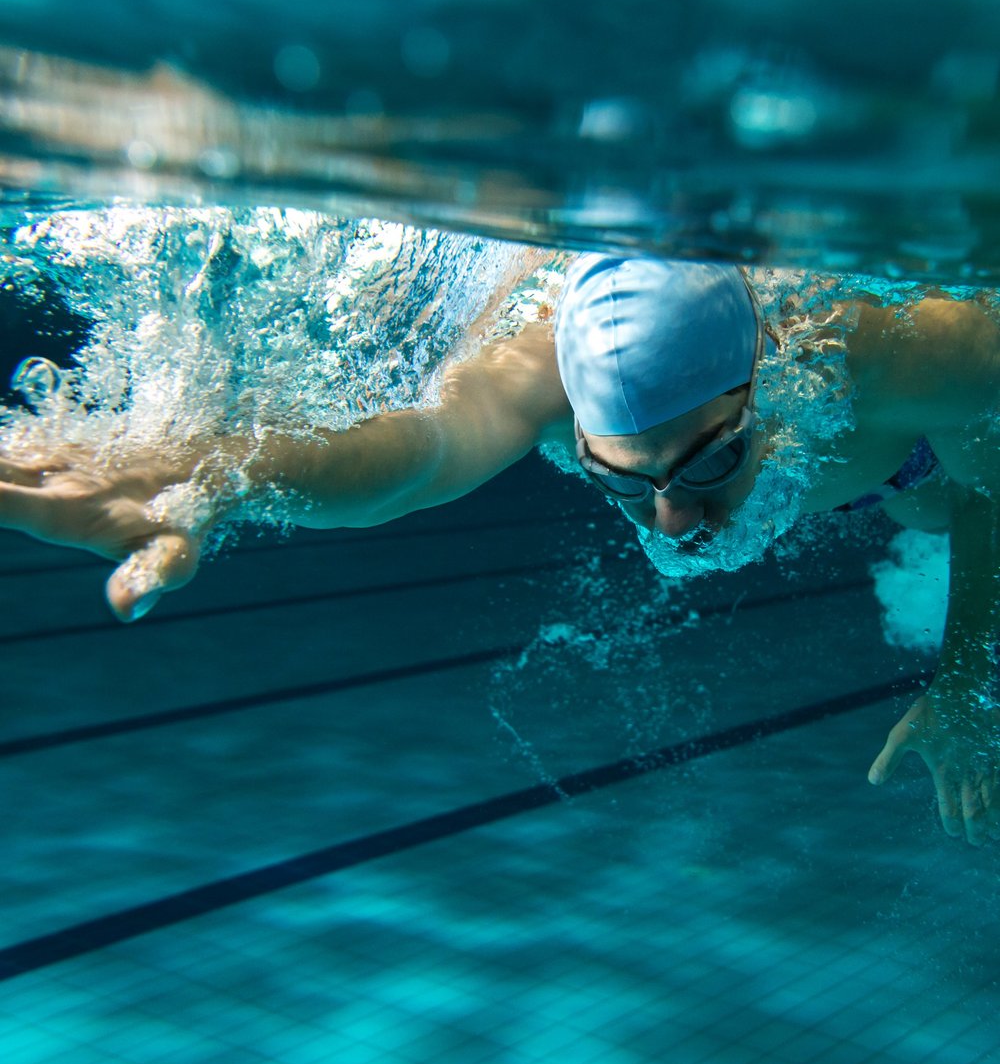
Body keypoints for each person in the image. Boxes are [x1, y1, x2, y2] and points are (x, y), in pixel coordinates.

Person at [1, 253, 998, 845]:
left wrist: (967, 677)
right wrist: (213, 472)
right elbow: (415, 454)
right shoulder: (533, 364)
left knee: (948, 499)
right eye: (619, 478)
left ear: (764, 379)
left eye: (707, 465)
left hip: (915, 461)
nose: (671, 523)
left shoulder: (908, 348)